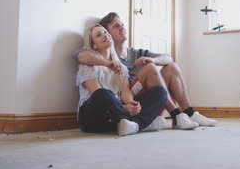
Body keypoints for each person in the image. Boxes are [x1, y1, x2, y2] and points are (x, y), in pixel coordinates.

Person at [75, 12, 217, 129]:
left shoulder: (134, 54)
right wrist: (107, 63)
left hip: (125, 102)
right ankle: (166, 116)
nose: (122, 28)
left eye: (122, 25)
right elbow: (81, 57)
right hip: (104, 107)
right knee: (106, 93)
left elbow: (169, 58)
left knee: (168, 70)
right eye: (116, 26)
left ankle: (188, 113)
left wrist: (153, 61)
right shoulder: (92, 57)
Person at [77, 24, 168, 136]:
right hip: (93, 117)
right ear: (94, 45)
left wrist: (131, 104)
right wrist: (124, 108)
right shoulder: (88, 65)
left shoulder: (122, 67)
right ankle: (143, 123)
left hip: (117, 115)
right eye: (98, 35)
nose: (105, 35)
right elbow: (96, 93)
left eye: (105, 32)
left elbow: (125, 91)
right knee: (103, 93)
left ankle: (134, 124)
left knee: (160, 91)